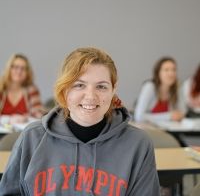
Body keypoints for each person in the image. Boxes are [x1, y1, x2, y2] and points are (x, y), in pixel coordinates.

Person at [0, 47, 160, 195]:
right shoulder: (31, 138)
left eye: (101, 87)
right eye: (79, 85)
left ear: (113, 90)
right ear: (64, 89)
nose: (90, 96)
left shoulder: (138, 144)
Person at [134, 57, 184, 122]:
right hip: (148, 129)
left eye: (174, 70)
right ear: (158, 73)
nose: (171, 73)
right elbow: (139, 116)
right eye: (166, 70)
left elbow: (182, 111)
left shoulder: (177, 87)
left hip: (168, 129)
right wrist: (169, 116)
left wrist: (179, 115)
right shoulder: (149, 87)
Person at [0, 53, 44, 125]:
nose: (19, 71)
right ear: (9, 69)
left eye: (23, 68)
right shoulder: (1, 88)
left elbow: (38, 114)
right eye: (15, 67)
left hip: (23, 132)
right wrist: (9, 120)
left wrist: (30, 117)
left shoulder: (32, 90)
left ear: (27, 72)